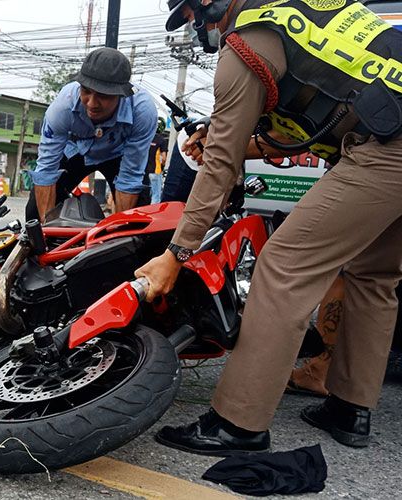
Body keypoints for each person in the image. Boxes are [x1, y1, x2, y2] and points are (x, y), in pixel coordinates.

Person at [135, 0, 402, 455]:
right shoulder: (296, 14)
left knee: (283, 265)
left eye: (195, 13)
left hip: (388, 148)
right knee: (374, 276)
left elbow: (219, 163)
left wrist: (175, 254)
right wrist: (238, 140)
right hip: (389, 132)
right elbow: (319, 120)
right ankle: (349, 408)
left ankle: (238, 425)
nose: (198, 25)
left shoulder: (248, 41)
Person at [27, 47, 158, 222]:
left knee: (137, 219)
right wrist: (45, 230)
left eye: (103, 95)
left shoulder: (143, 111)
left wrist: (123, 233)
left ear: (121, 94)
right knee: (34, 213)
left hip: (119, 154)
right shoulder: (63, 106)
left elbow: (130, 177)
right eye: (86, 91)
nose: (92, 103)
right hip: (76, 151)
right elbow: (46, 170)